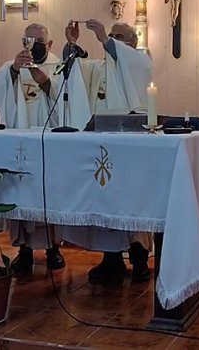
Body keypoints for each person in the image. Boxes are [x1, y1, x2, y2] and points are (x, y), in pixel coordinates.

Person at [0, 23, 91, 273]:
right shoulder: (14, 65)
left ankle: (53, 248)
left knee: (48, 193)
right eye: (27, 40)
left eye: (38, 41)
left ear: (49, 44)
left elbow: (68, 101)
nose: (32, 45)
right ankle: (24, 250)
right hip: (21, 143)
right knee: (21, 192)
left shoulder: (58, 66)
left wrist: (46, 84)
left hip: (48, 141)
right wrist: (13, 70)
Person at [60, 19, 154, 283]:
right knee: (104, 200)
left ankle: (139, 258)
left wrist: (105, 39)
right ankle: (111, 259)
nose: (111, 39)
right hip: (100, 146)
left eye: (118, 37)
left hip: (129, 147)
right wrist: (71, 44)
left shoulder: (140, 61)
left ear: (133, 43)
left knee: (131, 201)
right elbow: (74, 72)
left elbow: (127, 59)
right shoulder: (97, 68)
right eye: (111, 35)